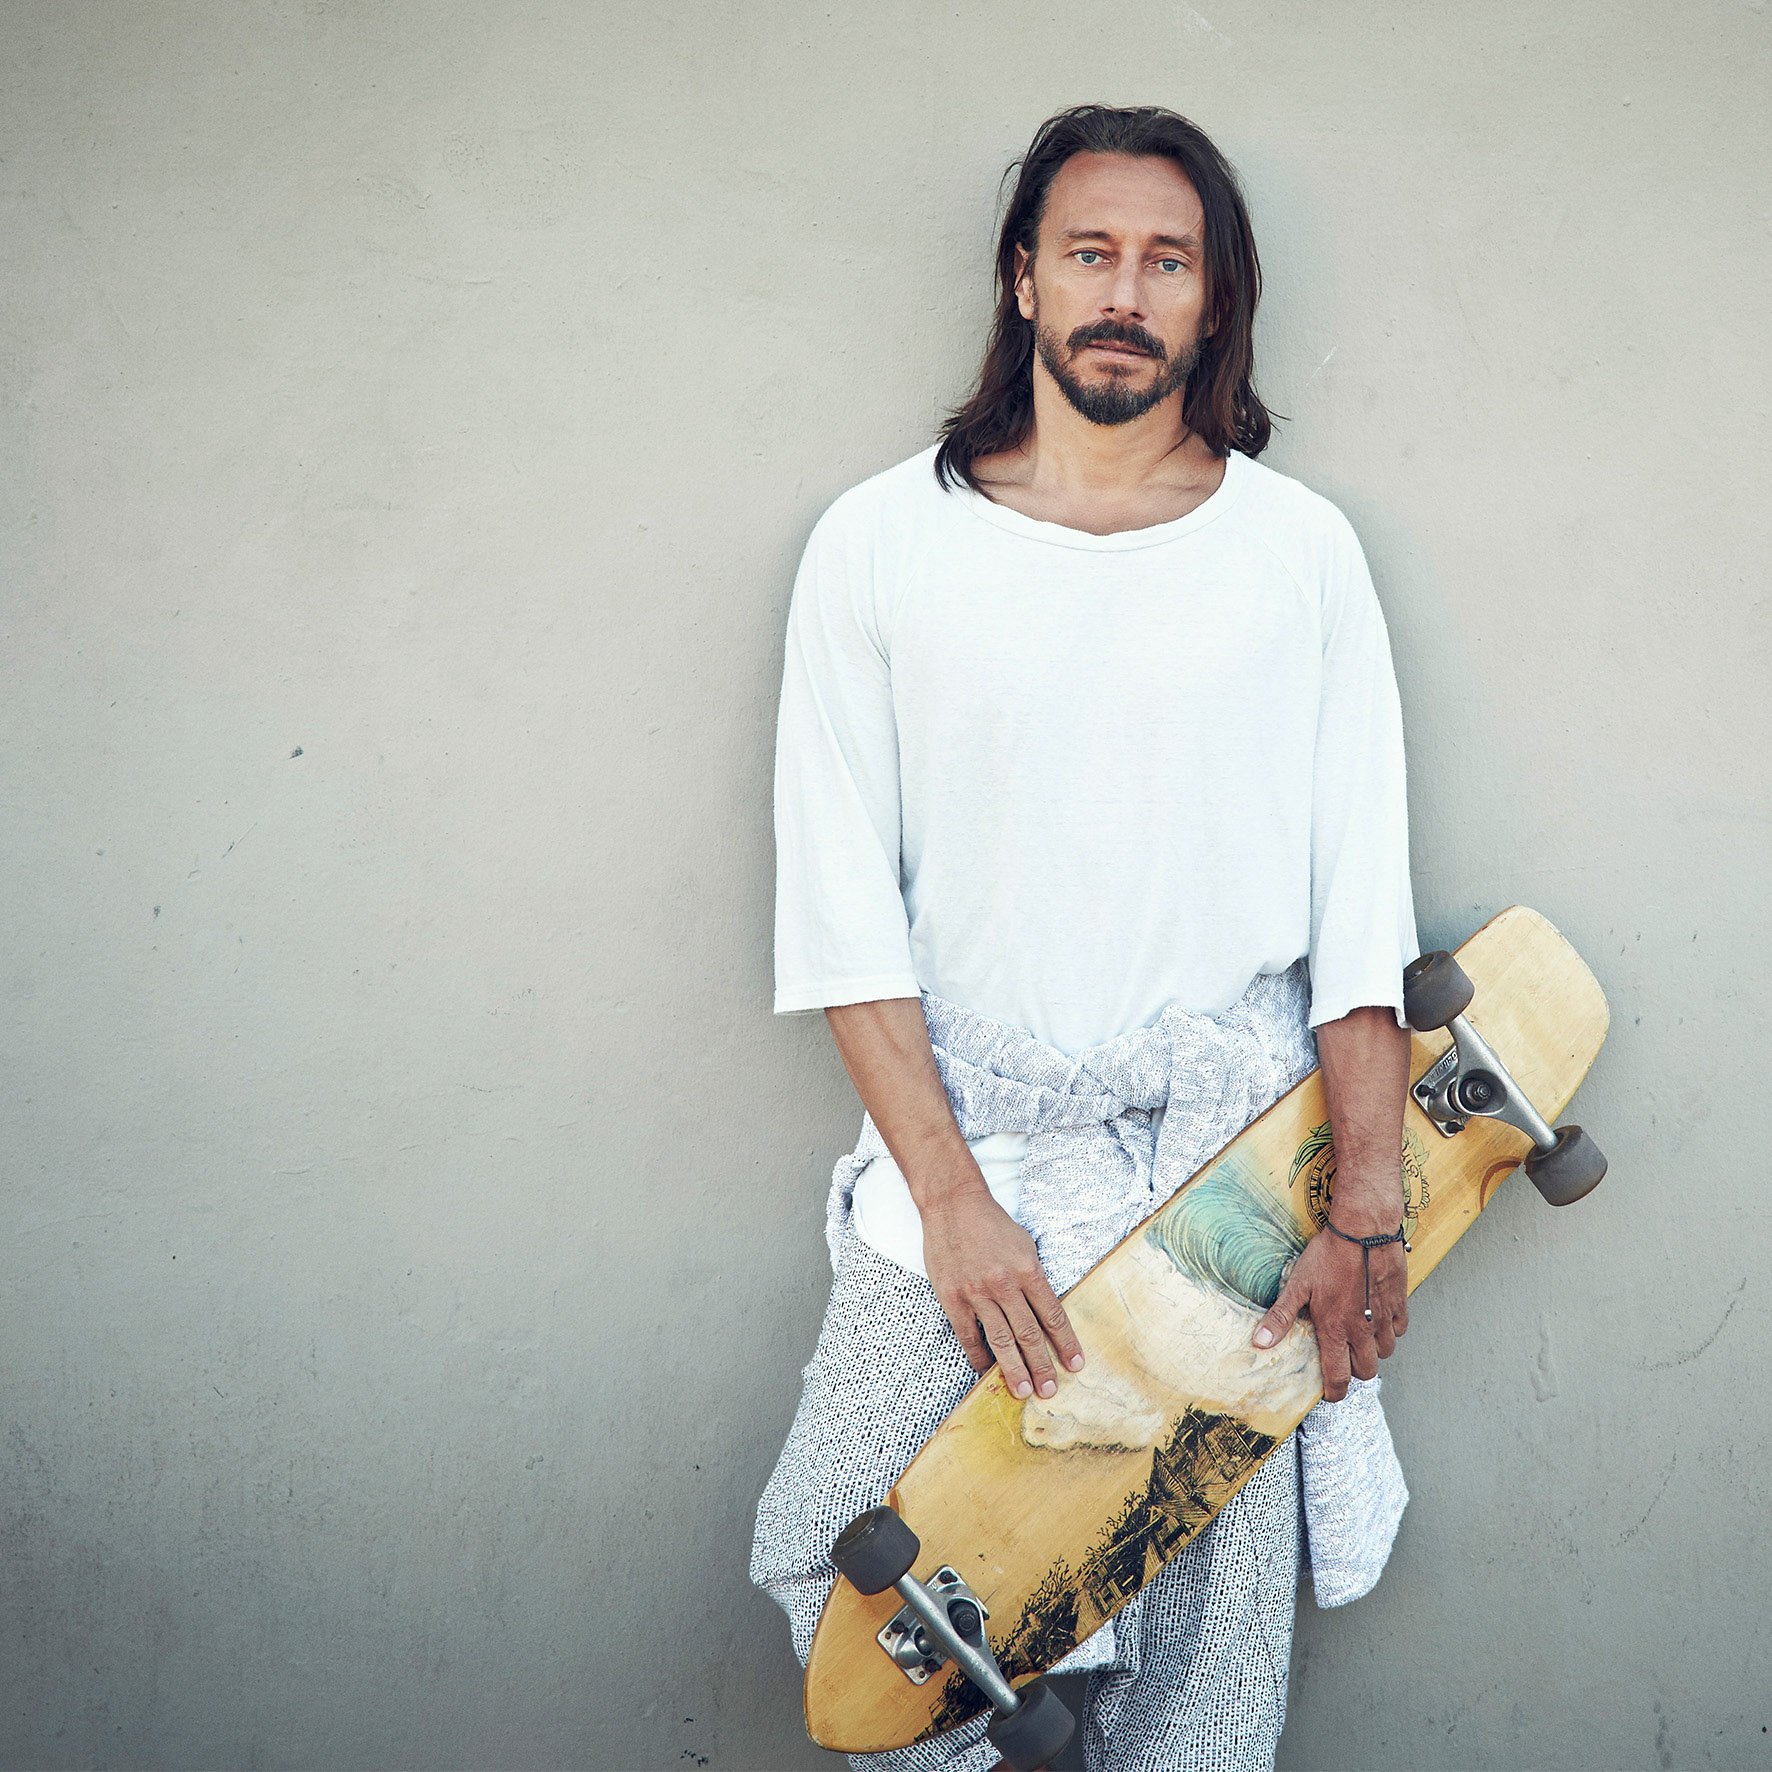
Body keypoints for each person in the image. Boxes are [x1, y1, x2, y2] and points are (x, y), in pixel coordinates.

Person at [752, 103, 1419, 1772]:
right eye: (1091, 252)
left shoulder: (1298, 553)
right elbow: (842, 920)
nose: (1125, 292)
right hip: (964, 1189)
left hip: (1228, 1196)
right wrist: (953, 1209)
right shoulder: (880, 542)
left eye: (1166, 262)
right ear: (1025, 278)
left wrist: (1364, 1206)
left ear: (1214, 299)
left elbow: (1360, 917)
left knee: (1198, 1688)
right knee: (893, 1635)